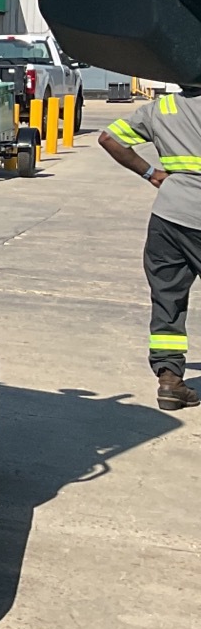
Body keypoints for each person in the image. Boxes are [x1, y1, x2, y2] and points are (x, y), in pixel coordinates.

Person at [100, 86, 201, 409]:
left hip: (169, 216)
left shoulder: (162, 107)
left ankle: (170, 381)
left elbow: (108, 139)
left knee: (168, 298)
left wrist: (150, 172)